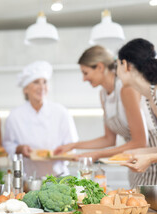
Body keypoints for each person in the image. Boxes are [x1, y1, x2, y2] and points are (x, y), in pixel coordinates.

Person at [54, 45, 153, 188]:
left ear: (100, 67)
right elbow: (108, 139)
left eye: (85, 73)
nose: (83, 79)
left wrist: (96, 155)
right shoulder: (103, 95)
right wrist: (74, 145)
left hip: (150, 160)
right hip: (133, 163)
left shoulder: (125, 88)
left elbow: (140, 142)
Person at [3, 61, 78, 178]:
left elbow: (72, 146)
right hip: (28, 178)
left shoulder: (61, 112)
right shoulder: (14, 116)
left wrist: (60, 153)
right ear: (25, 89)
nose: (42, 87)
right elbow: (8, 145)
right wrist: (19, 148)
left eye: (45, 82)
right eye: (36, 82)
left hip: (59, 176)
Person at [116, 38, 157, 185]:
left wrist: (150, 158)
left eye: (117, 65)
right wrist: (137, 153)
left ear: (125, 65)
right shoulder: (150, 96)